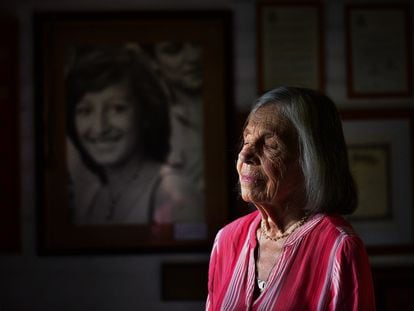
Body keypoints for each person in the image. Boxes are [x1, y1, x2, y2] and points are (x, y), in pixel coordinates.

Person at [206, 87, 375, 310]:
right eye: (246, 140)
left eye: (270, 145)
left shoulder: (339, 248)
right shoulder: (226, 241)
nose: (244, 155)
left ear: (312, 161)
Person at [66, 44, 204, 225]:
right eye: (85, 110)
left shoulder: (177, 199)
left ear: (146, 114)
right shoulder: (90, 198)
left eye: (117, 108)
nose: (100, 127)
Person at [144, 42, 204, 191]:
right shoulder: (151, 119)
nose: (193, 57)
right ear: (153, 61)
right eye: (173, 50)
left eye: (196, 44)